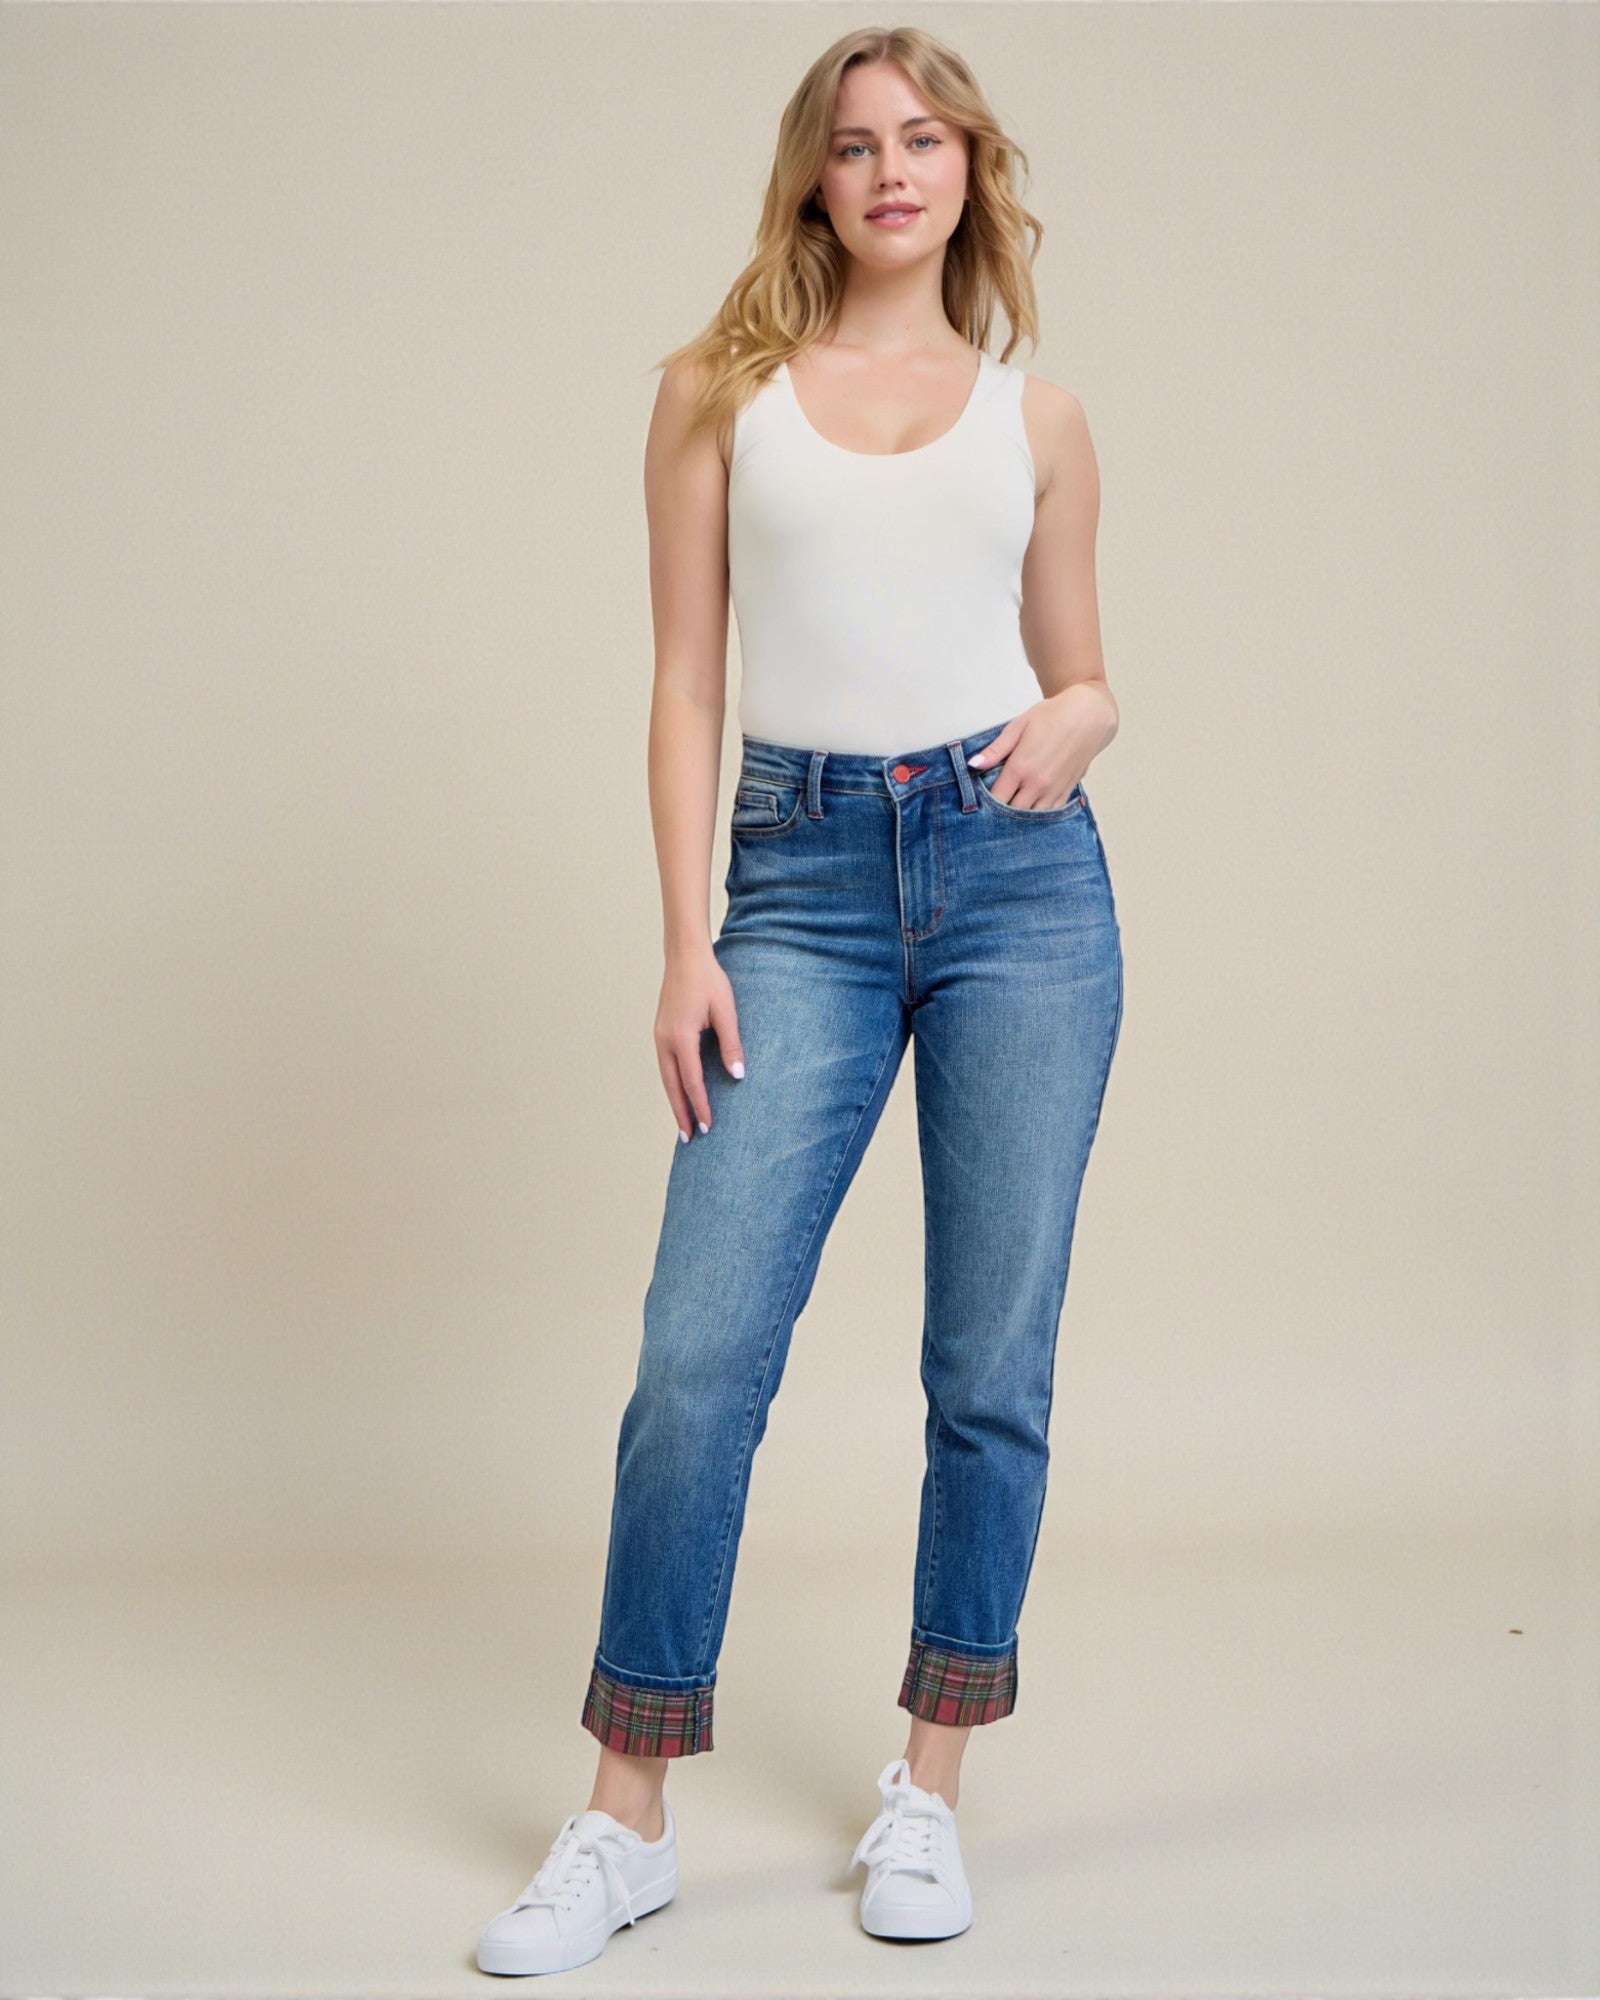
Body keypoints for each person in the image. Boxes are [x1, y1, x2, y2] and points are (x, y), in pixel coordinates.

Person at [476, 24, 1123, 1978]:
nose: (891, 167)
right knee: (699, 1354)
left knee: (985, 1365)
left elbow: (1081, 672)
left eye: (923, 137)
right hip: (798, 885)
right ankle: (623, 1815)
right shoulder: (712, 394)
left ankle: (925, 1776)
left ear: (967, 169)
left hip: (1021, 890)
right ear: (812, 179)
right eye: (856, 143)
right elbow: (685, 681)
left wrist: (1079, 717)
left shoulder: (1038, 417)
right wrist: (687, 938)